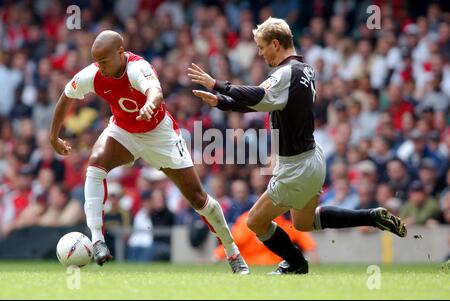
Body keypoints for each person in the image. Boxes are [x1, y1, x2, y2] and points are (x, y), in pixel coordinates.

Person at [188, 17, 407, 275]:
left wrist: (218, 85)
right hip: (313, 158)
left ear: (276, 43)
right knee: (304, 222)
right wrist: (221, 102)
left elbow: (259, 96)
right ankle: (370, 216)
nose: (260, 53)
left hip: (295, 166)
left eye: (262, 46)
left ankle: (296, 263)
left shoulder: (284, 73)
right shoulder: (305, 70)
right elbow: (265, 102)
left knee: (255, 221)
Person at [49, 30, 249, 274]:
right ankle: (97, 239)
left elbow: (155, 91)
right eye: (96, 62)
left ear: (120, 53)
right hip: (123, 132)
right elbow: (66, 96)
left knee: (198, 199)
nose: (100, 67)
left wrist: (149, 104)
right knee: (95, 164)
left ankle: (233, 253)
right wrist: (53, 135)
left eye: (104, 61)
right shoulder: (92, 74)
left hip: (160, 134)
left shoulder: (137, 68)